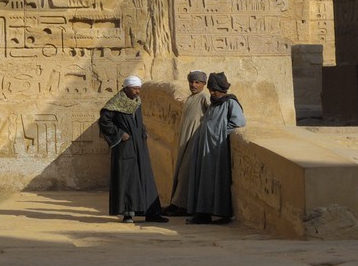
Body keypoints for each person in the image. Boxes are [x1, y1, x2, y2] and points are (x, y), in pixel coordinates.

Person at [98, 75, 169, 223]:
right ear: (126, 88)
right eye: (135, 89)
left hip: (139, 146)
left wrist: (142, 131)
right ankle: (128, 213)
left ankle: (151, 213)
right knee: (127, 179)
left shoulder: (136, 102)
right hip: (126, 147)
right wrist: (120, 134)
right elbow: (104, 121)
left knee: (145, 178)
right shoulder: (115, 103)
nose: (137, 92)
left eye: (139, 89)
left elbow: (138, 121)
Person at [186, 72, 247, 225]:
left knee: (217, 181)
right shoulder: (214, 103)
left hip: (217, 151)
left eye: (215, 90)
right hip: (206, 149)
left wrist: (220, 133)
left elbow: (238, 122)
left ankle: (219, 213)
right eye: (211, 90)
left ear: (222, 90)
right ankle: (203, 213)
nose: (212, 93)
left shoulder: (230, 102)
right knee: (203, 180)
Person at [165, 70, 211, 215]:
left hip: (194, 140)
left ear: (204, 84)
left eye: (197, 82)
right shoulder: (191, 98)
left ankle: (183, 206)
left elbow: (212, 114)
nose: (193, 85)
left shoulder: (204, 97)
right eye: (191, 82)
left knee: (185, 173)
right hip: (184, 141)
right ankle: (175, 203)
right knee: (180, 172)